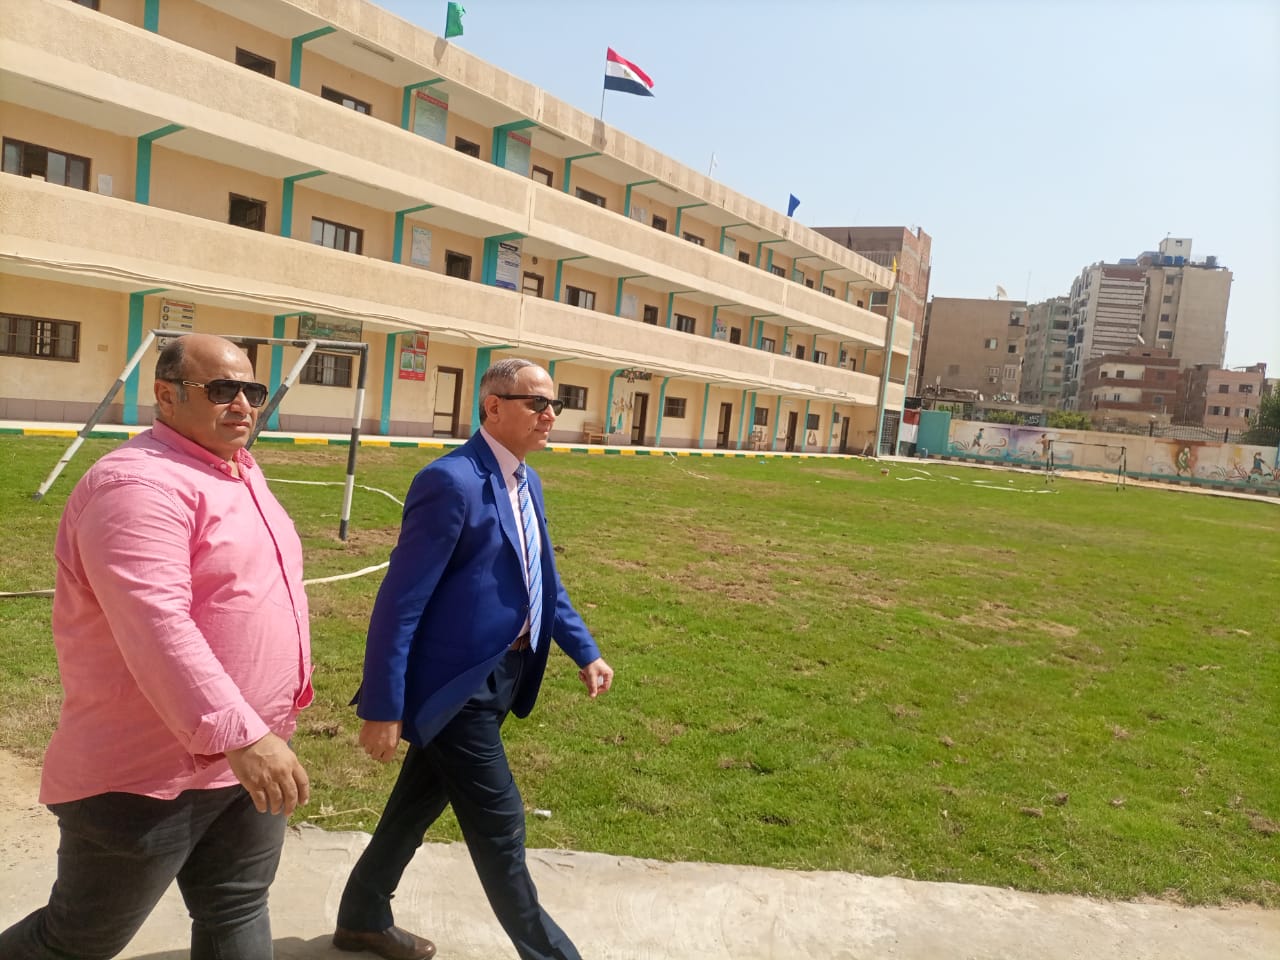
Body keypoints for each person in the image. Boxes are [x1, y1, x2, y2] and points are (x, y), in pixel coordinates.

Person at [0, 334, 313, 959]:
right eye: (221, 390)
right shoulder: (136, 486)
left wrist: (256, 734)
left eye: (252, 391)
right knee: (77, 940)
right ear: (166, 396)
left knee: (235, 906)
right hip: (147, 775)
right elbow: (156, 624)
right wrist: (243, 736)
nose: (243, 405)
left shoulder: (238, 470)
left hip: (248, 755)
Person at [334, 358, 614, 960]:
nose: (550, 415)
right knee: (501, 828)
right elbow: (400, 603)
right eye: (537, 403)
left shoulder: (527, 481)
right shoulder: (450, 482)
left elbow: (542, 580)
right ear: (493, 407)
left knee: (414, 807)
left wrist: (584, 650)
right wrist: (382, 706)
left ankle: (361, 917)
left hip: (502, 677)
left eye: (555, 404)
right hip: (454, 688)